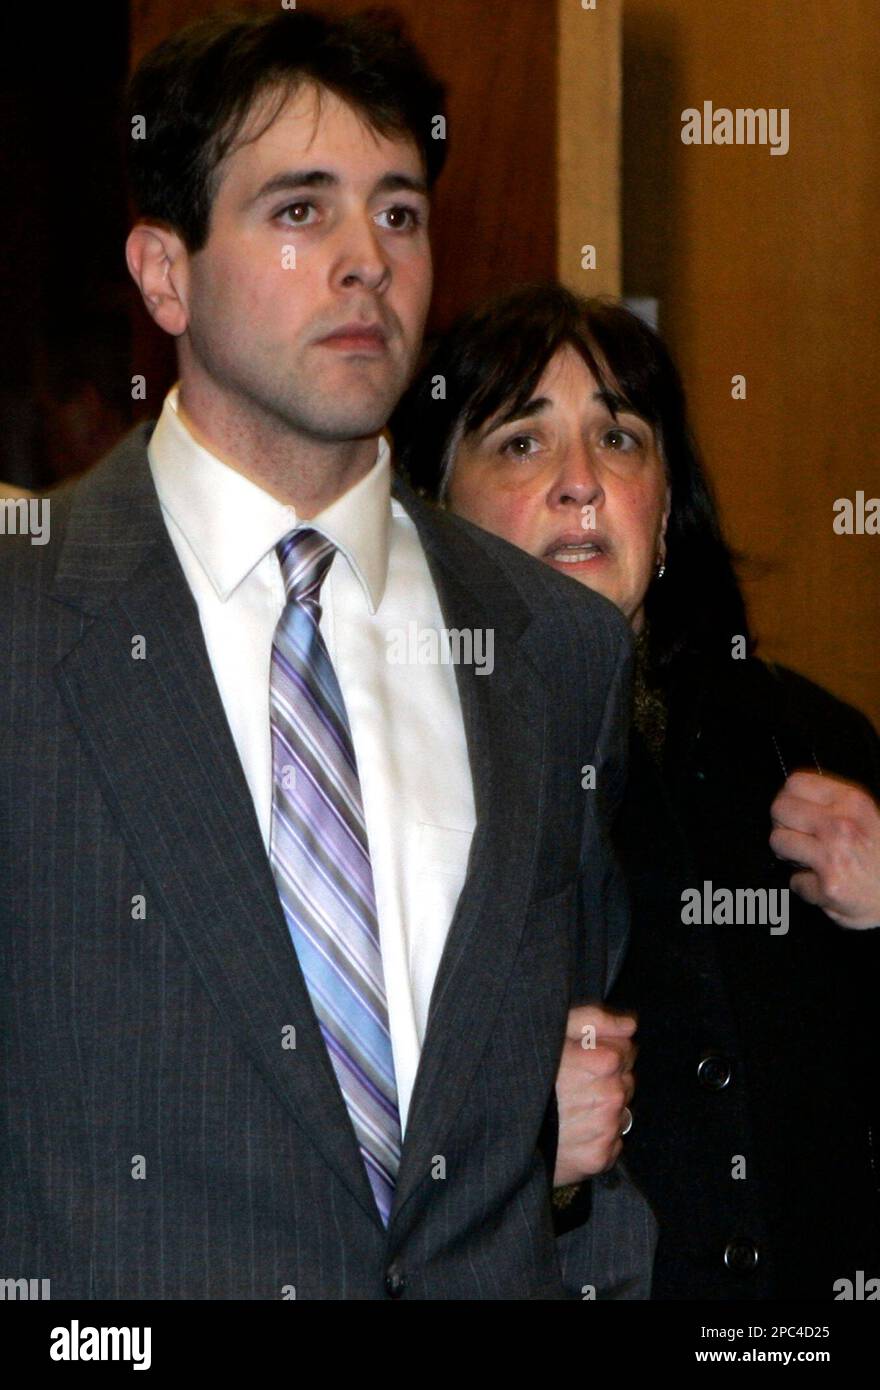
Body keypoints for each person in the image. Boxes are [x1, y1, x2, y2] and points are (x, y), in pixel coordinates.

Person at [0, 11, 656, 1300]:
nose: (366, 261)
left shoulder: (557, 650)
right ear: (163, 273)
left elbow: (574, 1129)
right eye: (300, 212)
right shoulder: (25, 630)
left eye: (399, 214)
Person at [392, 282, 880, 1298]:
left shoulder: (815, 751)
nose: (579, 483)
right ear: (433, 514)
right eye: (521, 444)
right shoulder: (376, 781)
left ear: (666, 516)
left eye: (618, 440)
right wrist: (519, 1142)